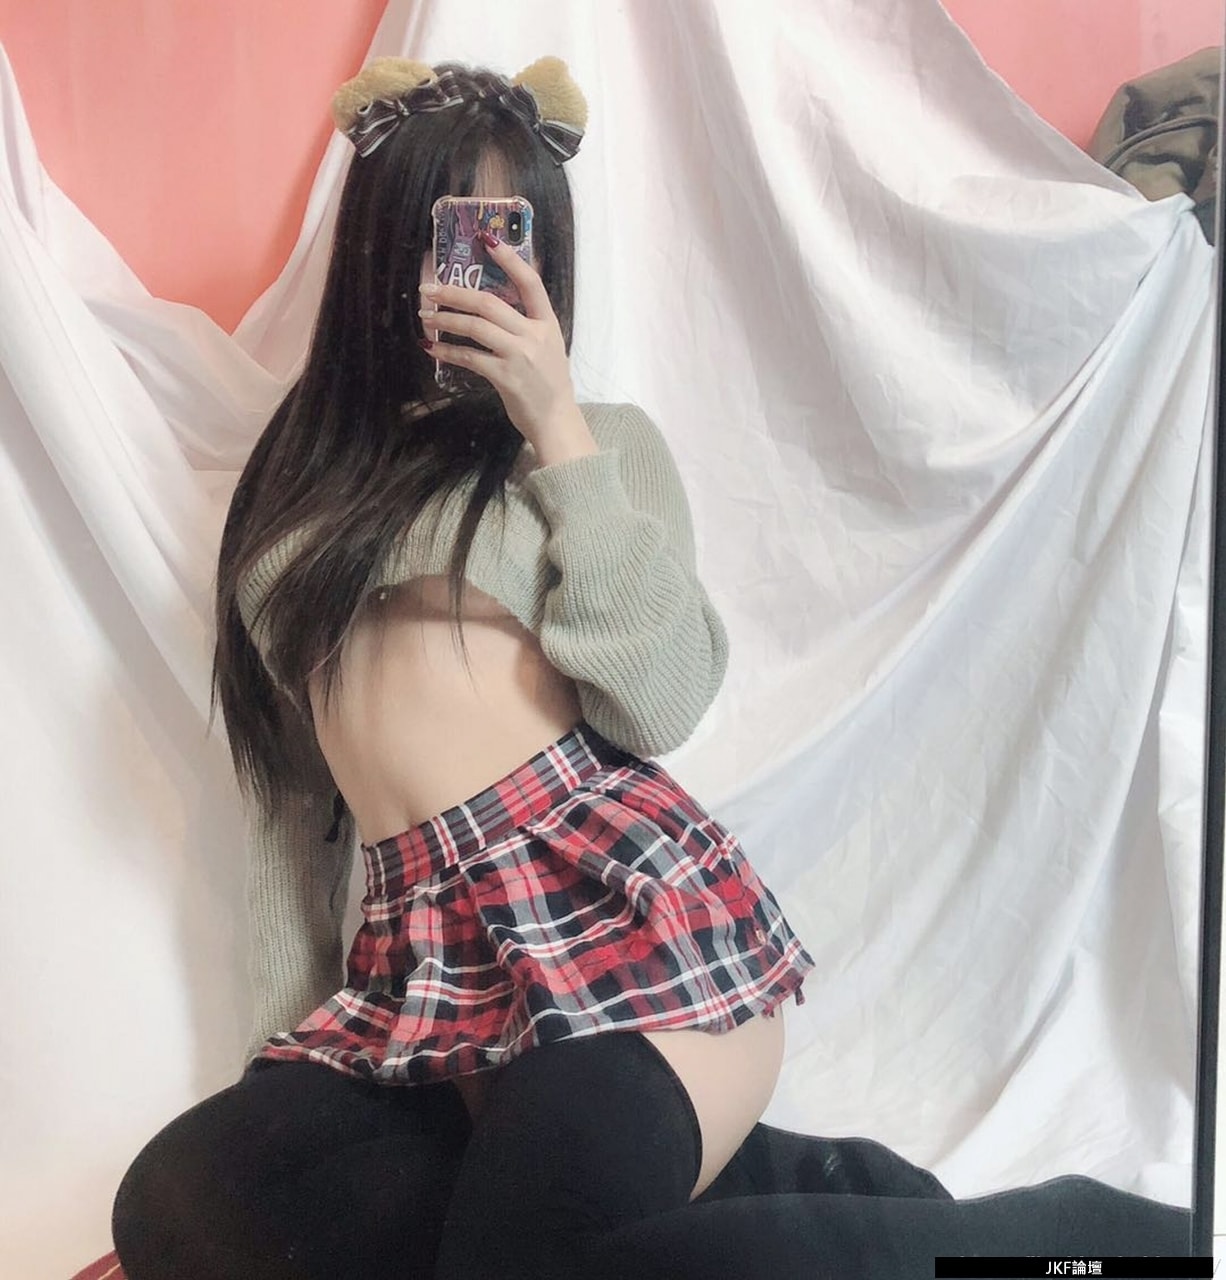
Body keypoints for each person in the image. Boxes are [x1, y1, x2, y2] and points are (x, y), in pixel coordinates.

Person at [110, 56, 1193, 1280]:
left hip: (619, 933)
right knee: (181, 1204)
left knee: (526, 1259)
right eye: (439, 233)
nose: (465, 273)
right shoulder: (298, 485)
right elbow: (291, 820)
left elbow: (663, 695)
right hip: (431, 983)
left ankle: (1051, 1244)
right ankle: (768, 1178)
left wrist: (554, 426)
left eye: (502, 239)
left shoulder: (599, 450)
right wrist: (291, 1074)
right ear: (376, 247)